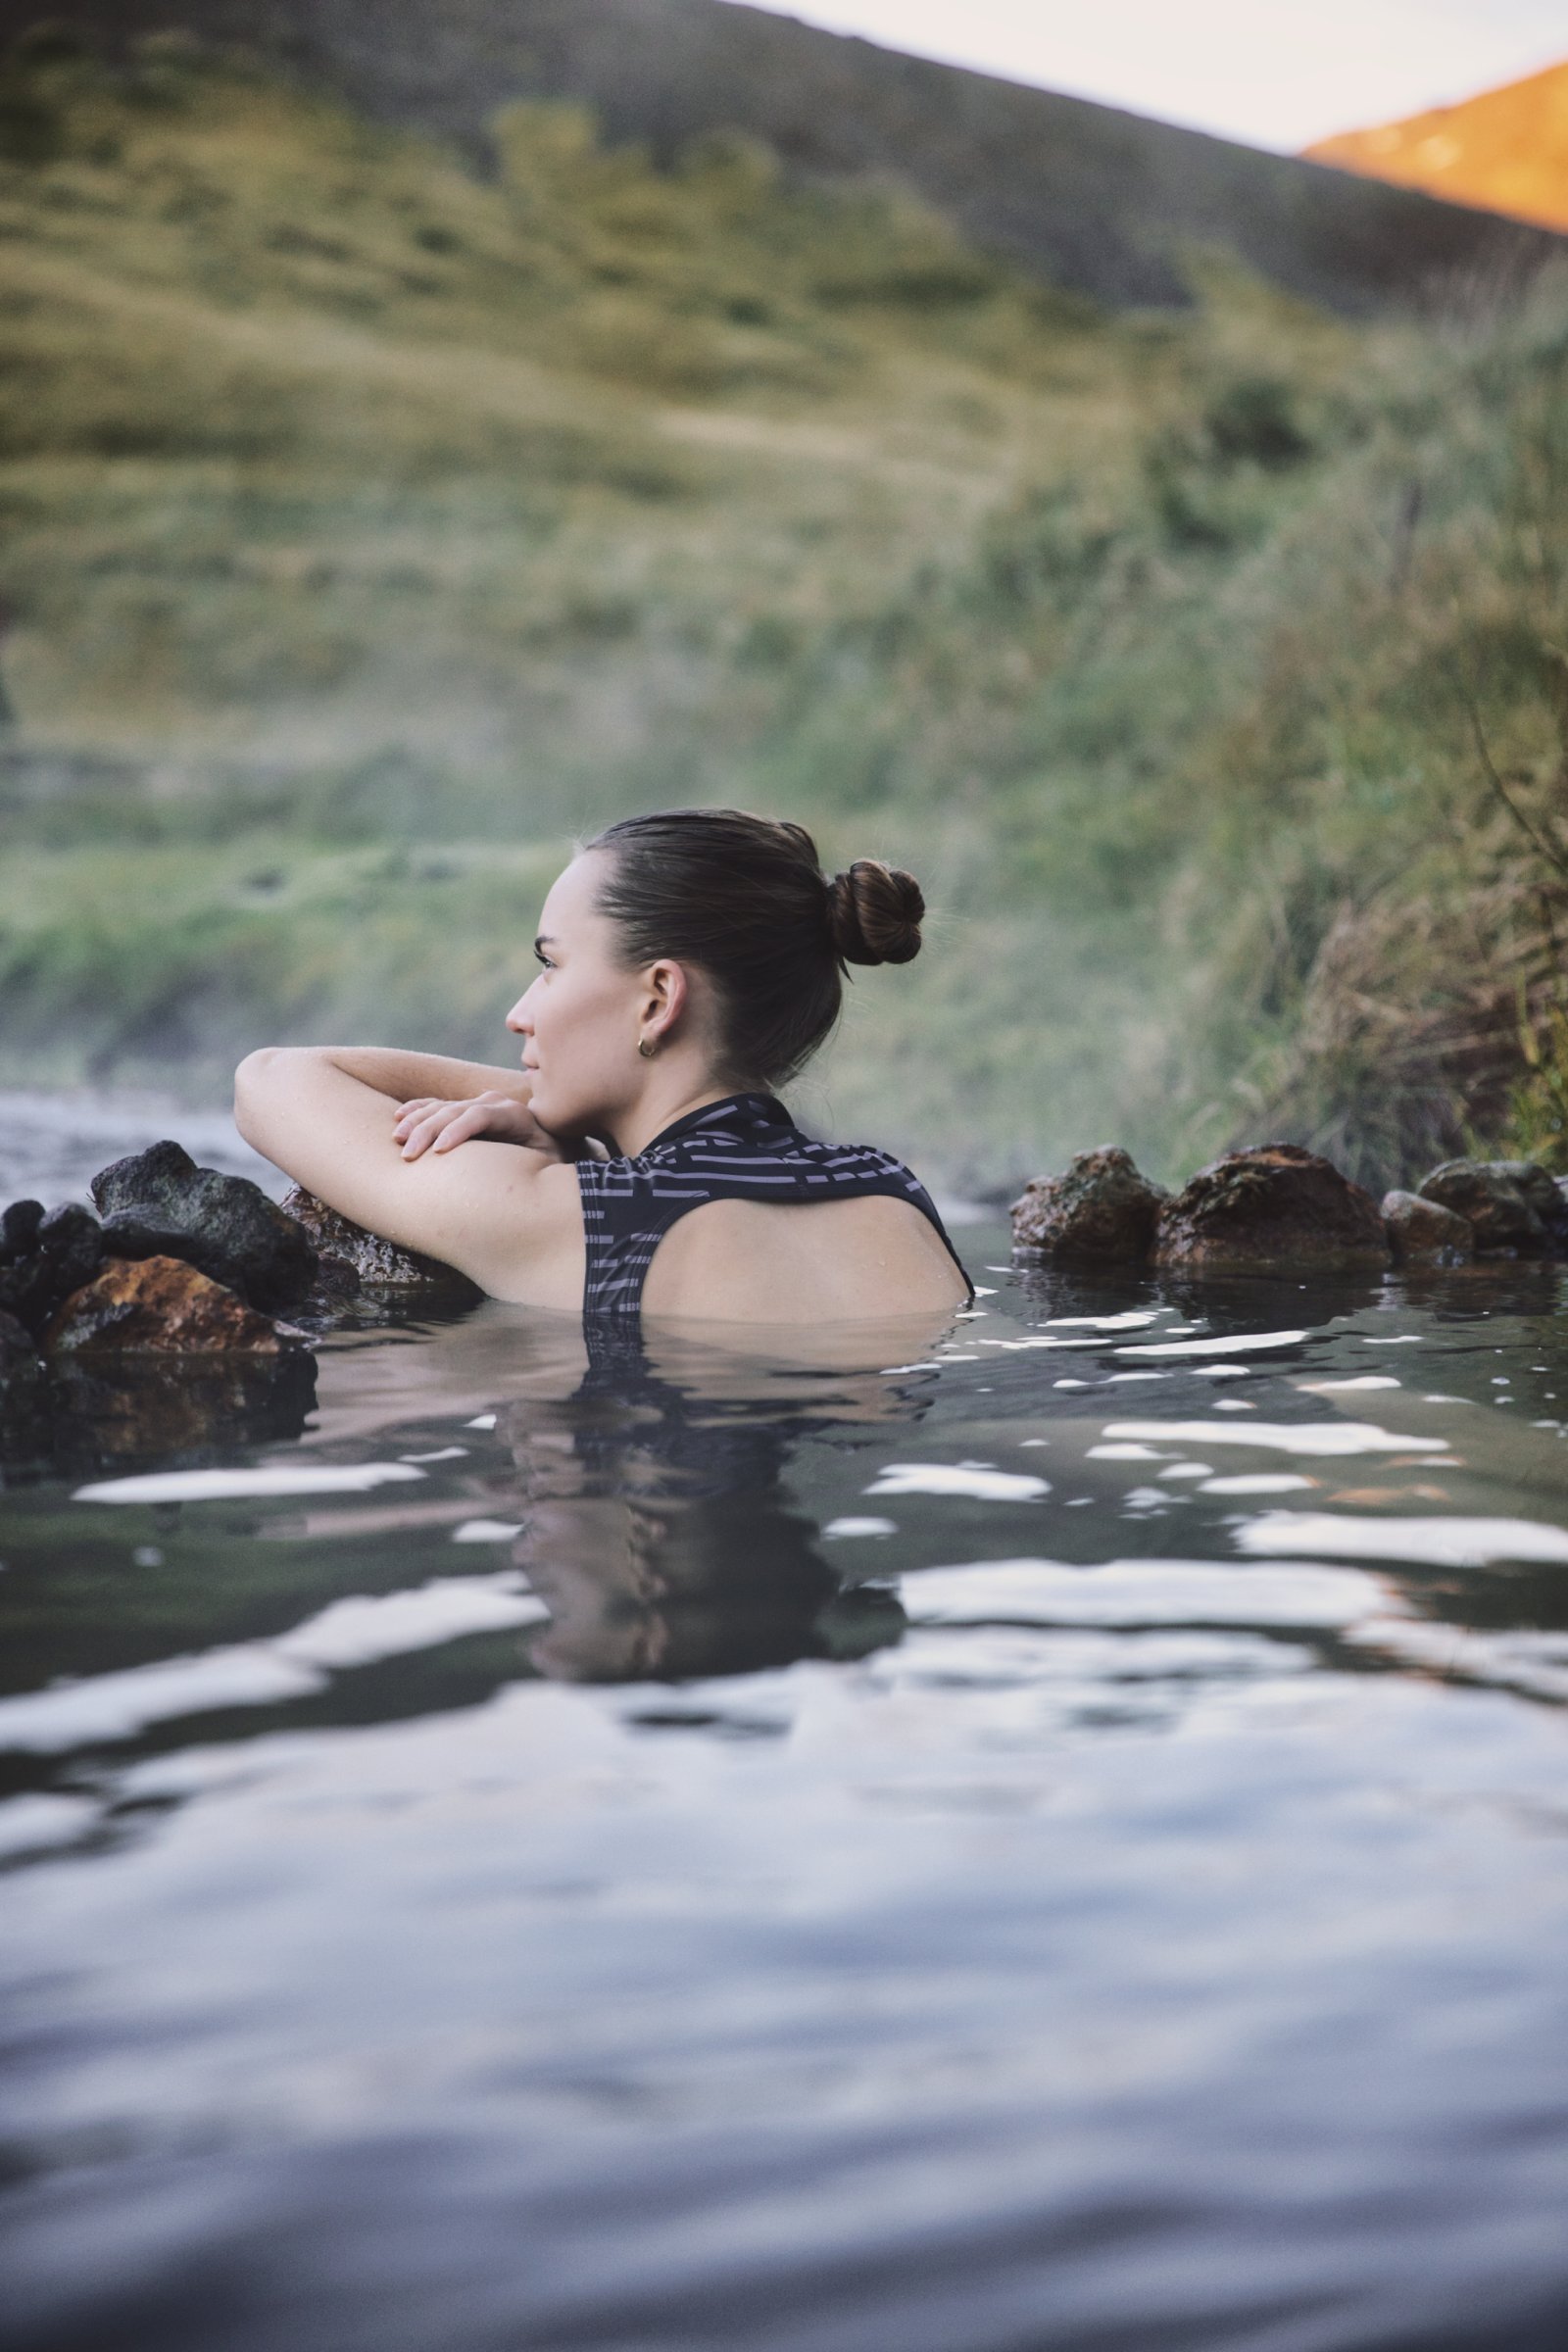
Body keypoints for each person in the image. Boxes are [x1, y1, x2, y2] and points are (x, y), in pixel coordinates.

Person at [235, 808, 972, 1332]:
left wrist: (549, 1114)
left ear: (657, 1001)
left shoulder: (584, 1216)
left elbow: (273, 1080)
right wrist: (590, 1131)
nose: (519, 1014)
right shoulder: (892, 1190)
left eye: (551, 966)